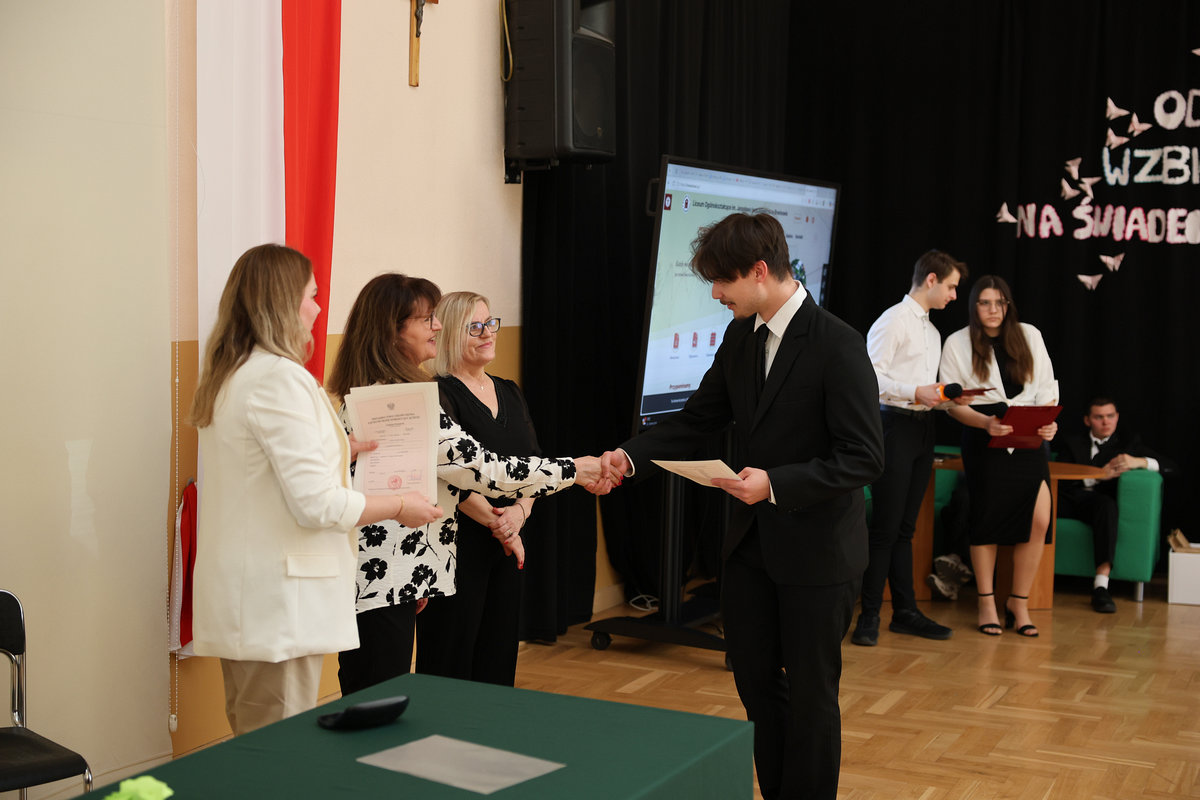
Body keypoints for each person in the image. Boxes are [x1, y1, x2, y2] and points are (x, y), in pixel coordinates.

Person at [599, 213, 884, 800]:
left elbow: (864, 458)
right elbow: (698, 420)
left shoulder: (838, 343)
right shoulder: (740, 337)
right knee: (755, 686)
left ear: (759, 271)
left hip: (818, 554)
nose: (715, 295)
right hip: (751, 548)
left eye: (721, 281)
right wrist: (627, 458)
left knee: (811, 698)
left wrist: (775, 483)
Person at [189, 244, 443, 735]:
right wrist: (398, 506)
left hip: (256, 599)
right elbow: (316, 504)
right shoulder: (278, 379)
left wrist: (341, 450)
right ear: (283, 303)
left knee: (259, 740)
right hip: (278, 605)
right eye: (312, 296)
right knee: (278, 751)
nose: (318, 309)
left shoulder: (238, 373)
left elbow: (260, 474)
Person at [326, 274, 603, 695]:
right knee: (375, 701)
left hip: (397, 578)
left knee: (387, 697)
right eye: (426, 319)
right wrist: (574, 470)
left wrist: (418, 571)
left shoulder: (399, 391)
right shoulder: (394, 399)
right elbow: (485, 471)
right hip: (380, 581)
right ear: (393, 331)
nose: (437, 326)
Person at [408, 291, 538, 685]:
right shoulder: (437, 393)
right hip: (456, 547)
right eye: (475, 327)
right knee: (450, 659)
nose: (488, 334)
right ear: (448, 334)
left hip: (508, 543)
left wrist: (519, 514)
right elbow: (450, 476)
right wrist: (501, 525)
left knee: (498, 657)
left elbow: (533, 465)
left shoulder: (509, 391)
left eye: (490, 323)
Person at [851, 250, 968, 646]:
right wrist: (914, 391)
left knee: (904, 529)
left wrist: (947, 397)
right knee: (885, 529)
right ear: (931, 279)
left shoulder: (932, 332)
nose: (954, 295)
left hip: (923, 429)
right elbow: (867, 378)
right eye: (951, 286)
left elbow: (926, 389)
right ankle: (868, 616)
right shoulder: (894, 319)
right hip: (894, 427)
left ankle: (905, 612)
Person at [938, 275, 1058, 638]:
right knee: (986, 521)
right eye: (985, 303)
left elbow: (1047, 388)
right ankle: (987, 602)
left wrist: (1049, 424)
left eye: (1000, 302)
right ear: (974, 307)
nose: (993, 310)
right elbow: (950, 402)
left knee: (1039, 520)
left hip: (1028, 435)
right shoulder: (957, 342)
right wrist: (985, 424)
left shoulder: (1029, 335)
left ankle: (1018, 603)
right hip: (983, 435)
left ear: (1008, 305)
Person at [1055, 396, 1174, 613]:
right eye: (1099, 417)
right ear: (1087, 420)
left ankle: (1101, 586)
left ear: (1117, 417)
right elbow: (1061, 478)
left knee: (1106, 506)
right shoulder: (1072, 442)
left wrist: (1140, 461)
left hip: (1097, 504)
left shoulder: (1127, 444)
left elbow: (1171, 467)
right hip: (1068, 498)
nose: (1105, 422)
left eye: (1110, 416)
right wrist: (1098, 476)